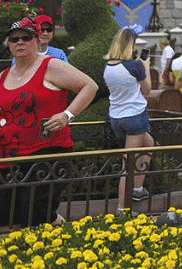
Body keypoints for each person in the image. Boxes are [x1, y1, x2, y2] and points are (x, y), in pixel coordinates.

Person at [0, 17, 97, 227]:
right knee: (7, 216)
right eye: (14, 39)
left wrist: (67, 114)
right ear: (8, 44)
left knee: (36, 212)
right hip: (9, 156)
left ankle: (66, 241)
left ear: (36, 41)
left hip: (47, 151)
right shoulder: (4, 75)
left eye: (26, 38)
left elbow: (89, 86)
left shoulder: (50, 65)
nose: (20, 42)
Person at [103, 27, 156, 214]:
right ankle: (122, 209)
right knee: (129, 164)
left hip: (116, 117)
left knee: (149, 144)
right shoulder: (135, 66)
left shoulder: (108, 66)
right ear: (131, 45)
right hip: (135, 115)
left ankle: (138, 189)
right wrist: (147, 68)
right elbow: (147, 90)